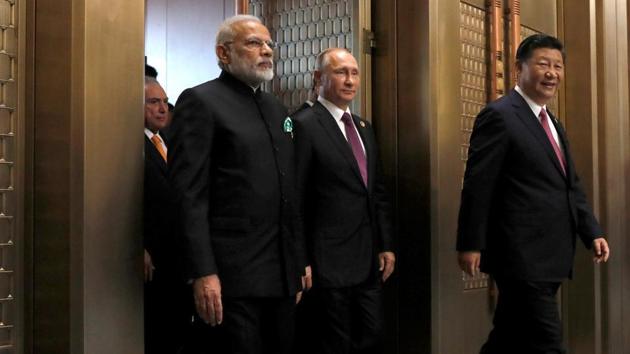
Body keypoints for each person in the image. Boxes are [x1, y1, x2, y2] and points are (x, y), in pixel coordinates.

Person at [456, 34, 610, 354]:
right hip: (519, 255)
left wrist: (590, 231)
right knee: (546, 341)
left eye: (557, 66)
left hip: (551, 254)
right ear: (518, 69)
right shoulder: (500, 115)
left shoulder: (552, 122)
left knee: (508, 336)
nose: (552, 72)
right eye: (543, 64)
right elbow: (478, 184)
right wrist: (470, 243)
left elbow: (570, 184)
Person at [167, 15, 307, 354]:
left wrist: (297, 260)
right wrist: (203, 271)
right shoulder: (200, 101)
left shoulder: (275, 108)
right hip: (231, 275)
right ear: (224, 52)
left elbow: (289, 192)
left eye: (269, 44)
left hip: (281, 273)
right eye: (254, 43)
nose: (266, 51)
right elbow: (189, 195)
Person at [292, 47, 395, 354]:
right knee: (333, 343)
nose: (350, 80)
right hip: (326, 261)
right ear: (318, 78)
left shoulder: (364, 128)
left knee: (372, 337)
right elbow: (295, 199)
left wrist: (385, 243)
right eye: (340, 72)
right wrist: (300, 259)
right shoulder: (304, 124)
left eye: (354, 73)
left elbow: (376, 191)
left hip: (366, 258)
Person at [143, 76, 190, 353]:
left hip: (178, 255)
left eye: (164, 102)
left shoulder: (169, 141)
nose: (162, 109)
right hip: (153, 256)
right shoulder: (127, 146)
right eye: (153, 102)